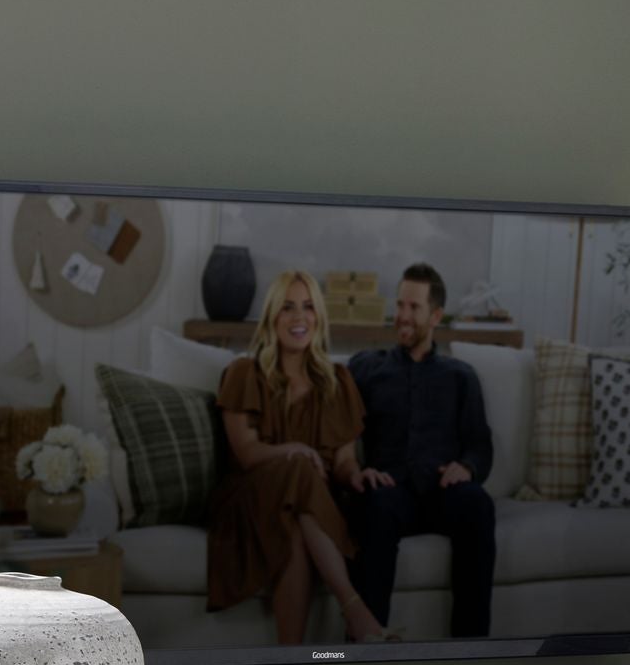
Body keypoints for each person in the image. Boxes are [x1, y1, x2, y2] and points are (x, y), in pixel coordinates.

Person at [206, 269, 390, 644]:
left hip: (305, 506)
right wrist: (292, 450)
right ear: (272, 317)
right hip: (249, 498)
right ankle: (355, 609)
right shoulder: (245, 372)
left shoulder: (337, 381)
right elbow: (246, 452)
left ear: (319, 317)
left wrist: (357, 475)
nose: (299, 317)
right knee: (300, 470)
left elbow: (342, 462)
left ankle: (287, 660)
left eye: (308, 307)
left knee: (293, 520)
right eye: (287, 307)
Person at [344, 263, 496, 637]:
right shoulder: (366, 368)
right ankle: (366, 647)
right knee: (374, 507)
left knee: (478, 504)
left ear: (436, 315)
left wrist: (468, 467)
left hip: (442, 490)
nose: (403, 317)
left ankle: (469, 648)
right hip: (391, 492)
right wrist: (354, 470)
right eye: (400, 306)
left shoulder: (460, 376)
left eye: (413, 308)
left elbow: (480, 443)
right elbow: (340, 430)